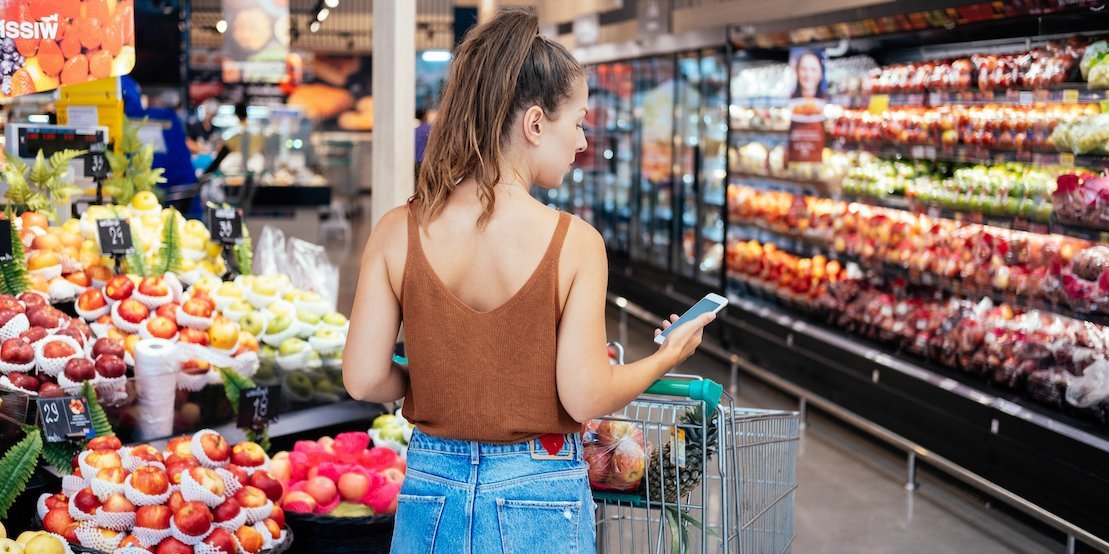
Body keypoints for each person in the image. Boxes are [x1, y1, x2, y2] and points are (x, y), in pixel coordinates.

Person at [342, 7, 714, 553]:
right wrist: (668, 355)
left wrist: (427, 379)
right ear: (536, 124)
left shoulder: (398, 228)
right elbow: (584, 393)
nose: (583, 141)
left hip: (429, 490)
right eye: (578, 121)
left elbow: (364, 380)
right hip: (538, 494)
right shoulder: (574, 242)